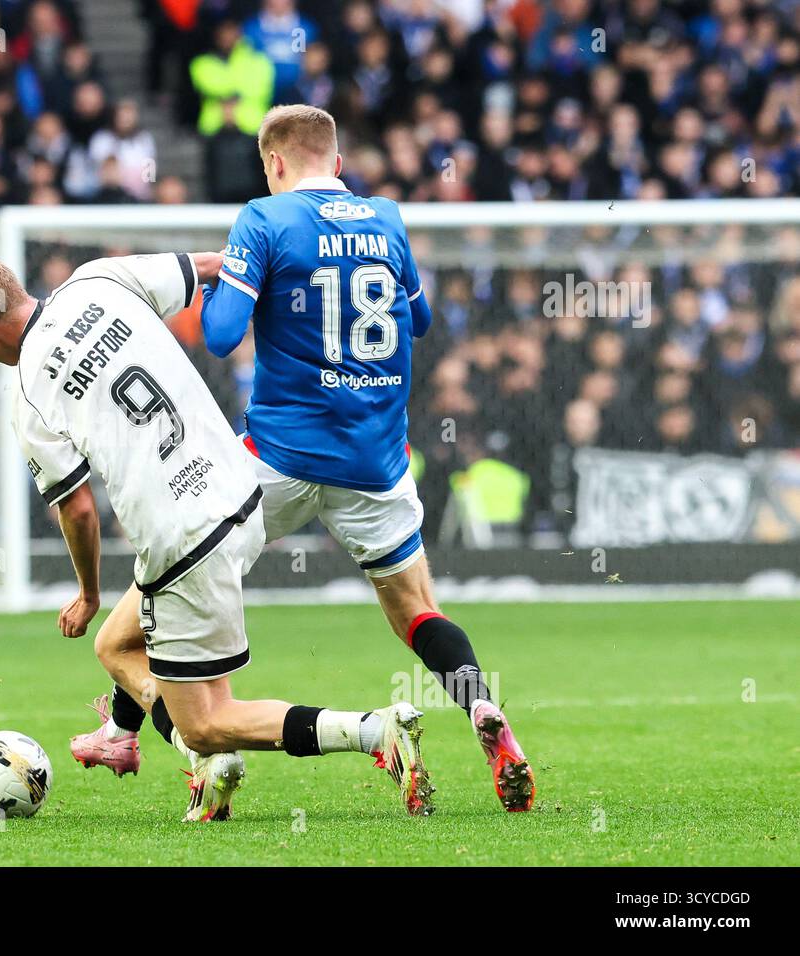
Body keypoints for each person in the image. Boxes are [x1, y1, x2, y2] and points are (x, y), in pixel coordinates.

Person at [79, 105, 535, 813]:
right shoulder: (385, 217)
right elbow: (419, 320)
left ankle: (147, 734)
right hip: (376, 462)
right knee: (417, 609)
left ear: (276, 165)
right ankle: (480, 706)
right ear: (338, 163)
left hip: (276, 462)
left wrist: (241, 284)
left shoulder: (263, 219)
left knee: (148, 604)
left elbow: (225, 335)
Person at [0, 249, 434, 822]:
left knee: (210, 721)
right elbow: (222, 263)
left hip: (182, 538)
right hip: (243, 494)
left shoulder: (28, 397)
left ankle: (374, 732)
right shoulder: (100, 279)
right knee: (116, 647)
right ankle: (181, 758)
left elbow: (79, 510)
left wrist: (88, 593)